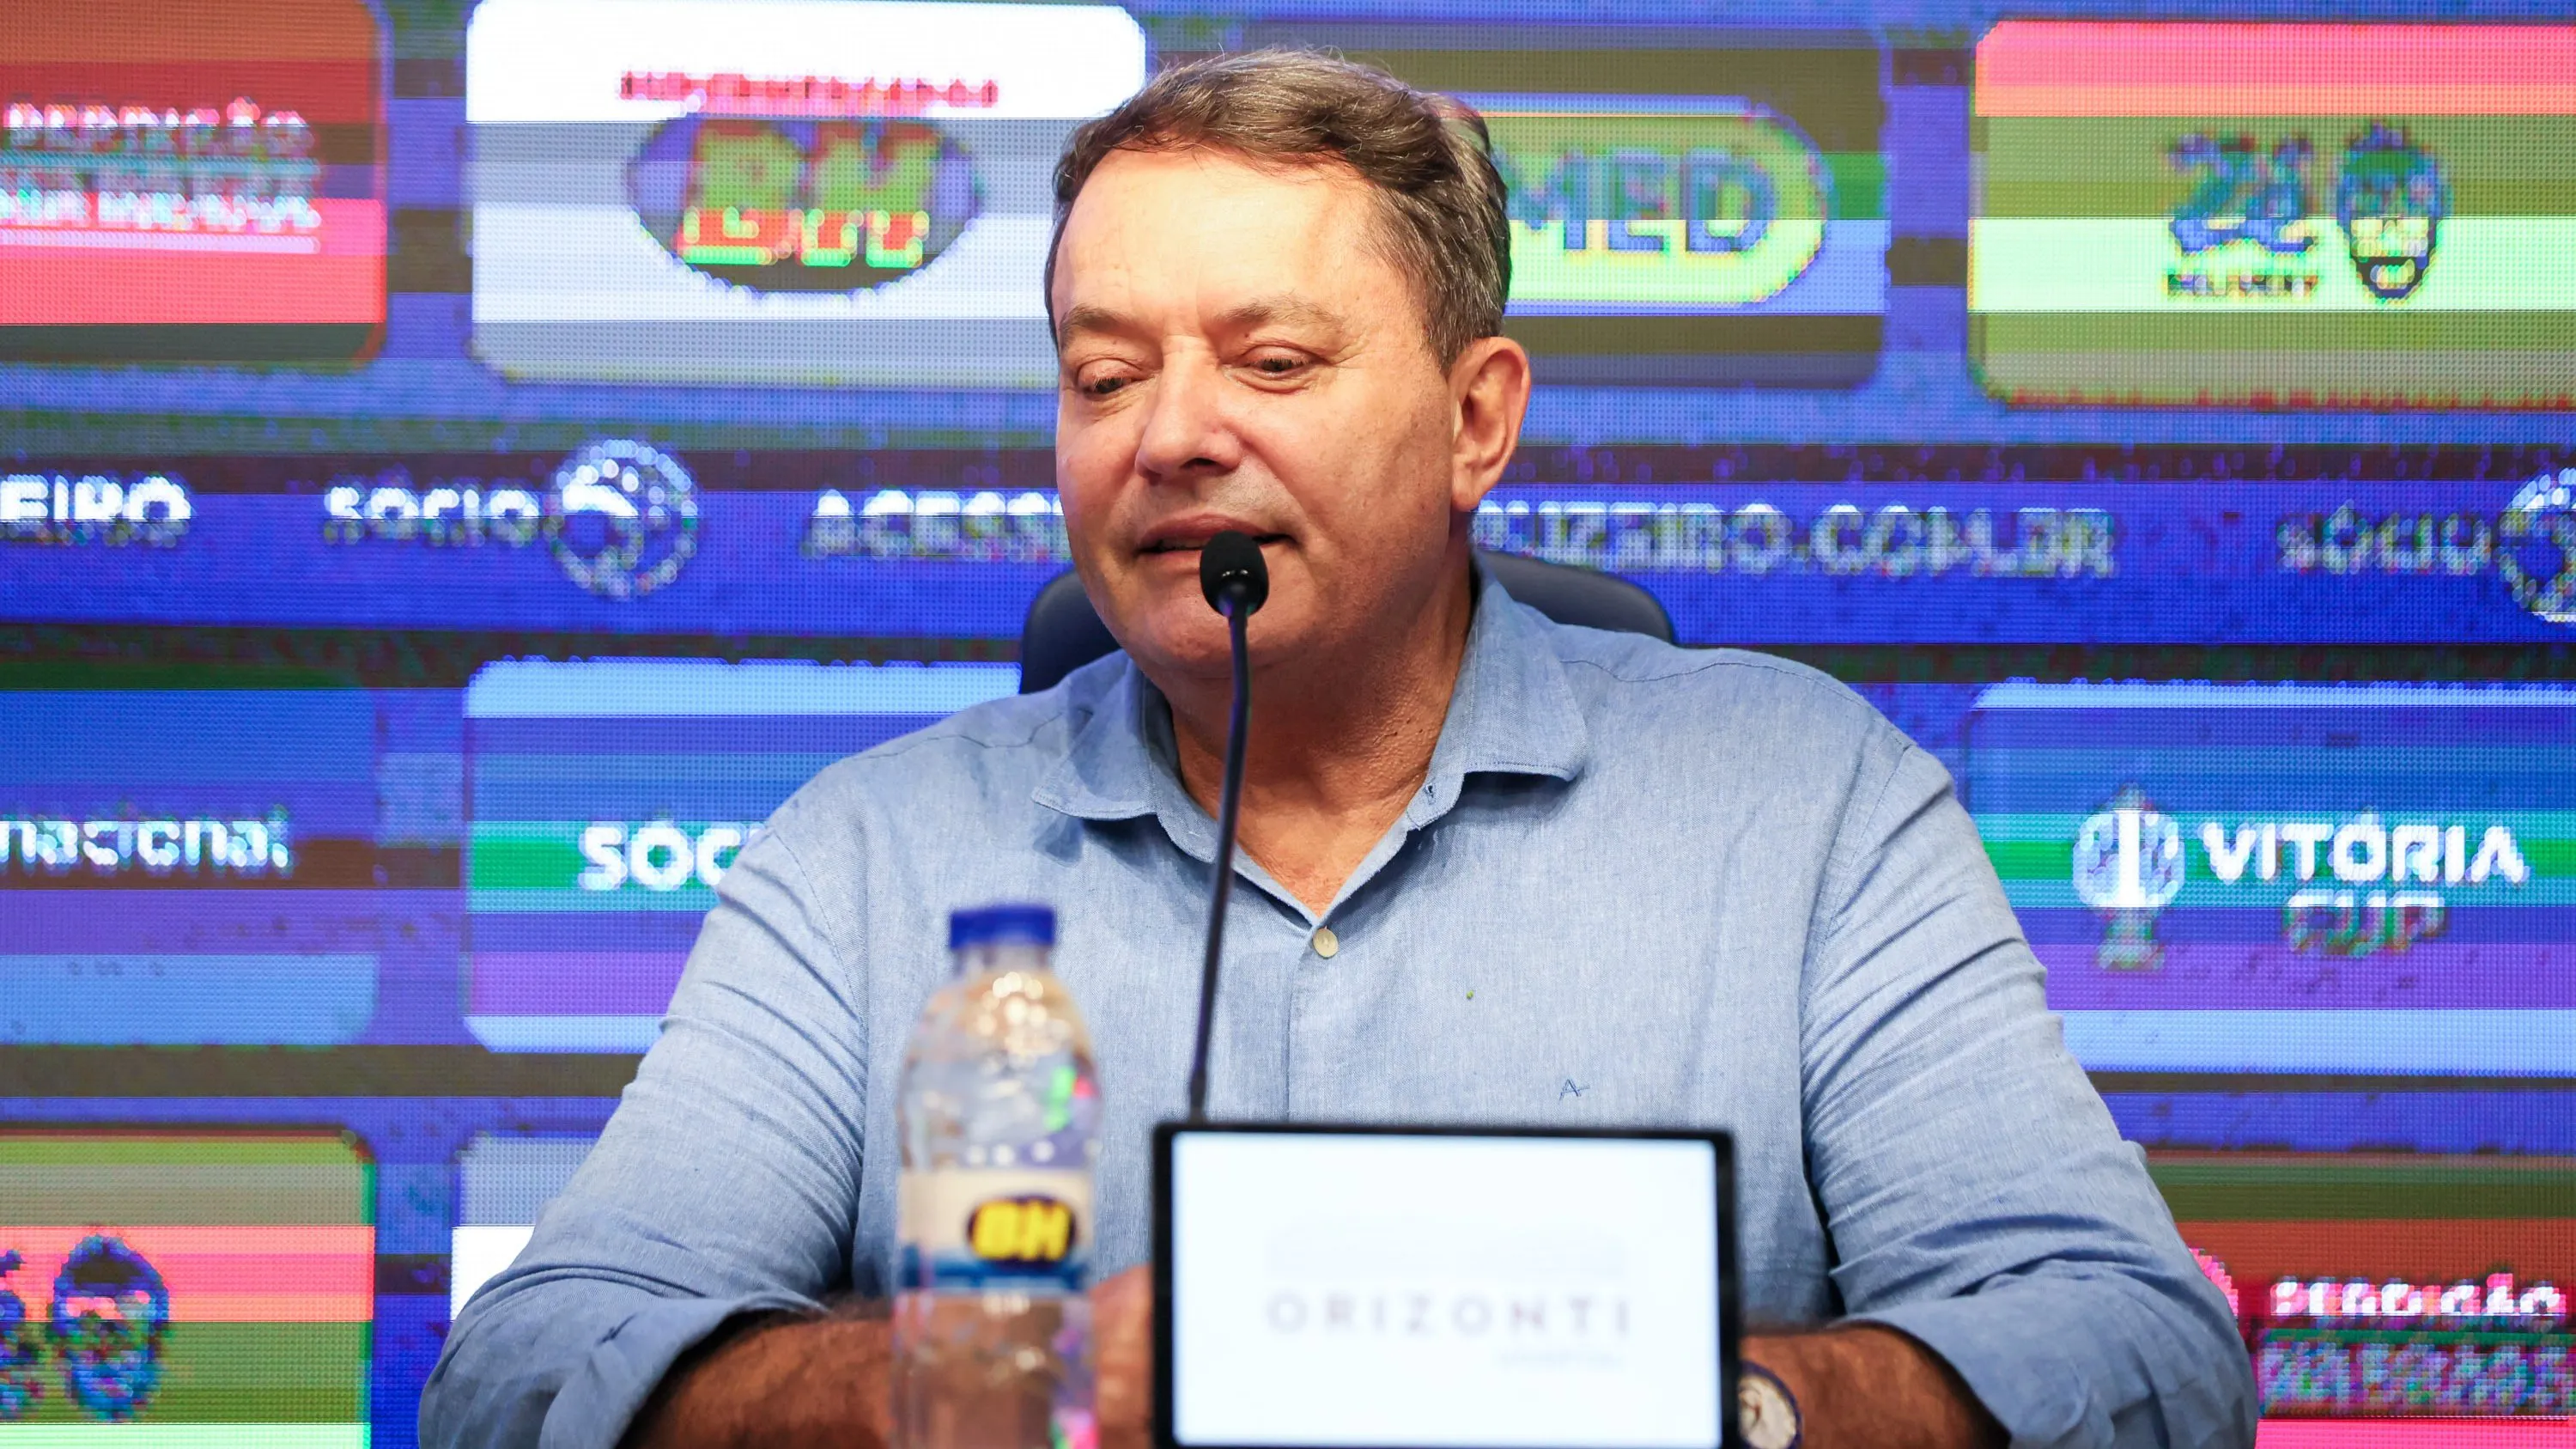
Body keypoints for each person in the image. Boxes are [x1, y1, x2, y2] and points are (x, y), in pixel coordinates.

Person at [422, 50, 2257, 1449]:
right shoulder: (870, 856)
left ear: (1476, 421)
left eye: (1273, 363)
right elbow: (521, 1375)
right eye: (1105, 374)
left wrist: (1696, 1405)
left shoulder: (1808, 805)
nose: (1169, 437)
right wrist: (1005, 1378)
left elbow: (2137, 1352)